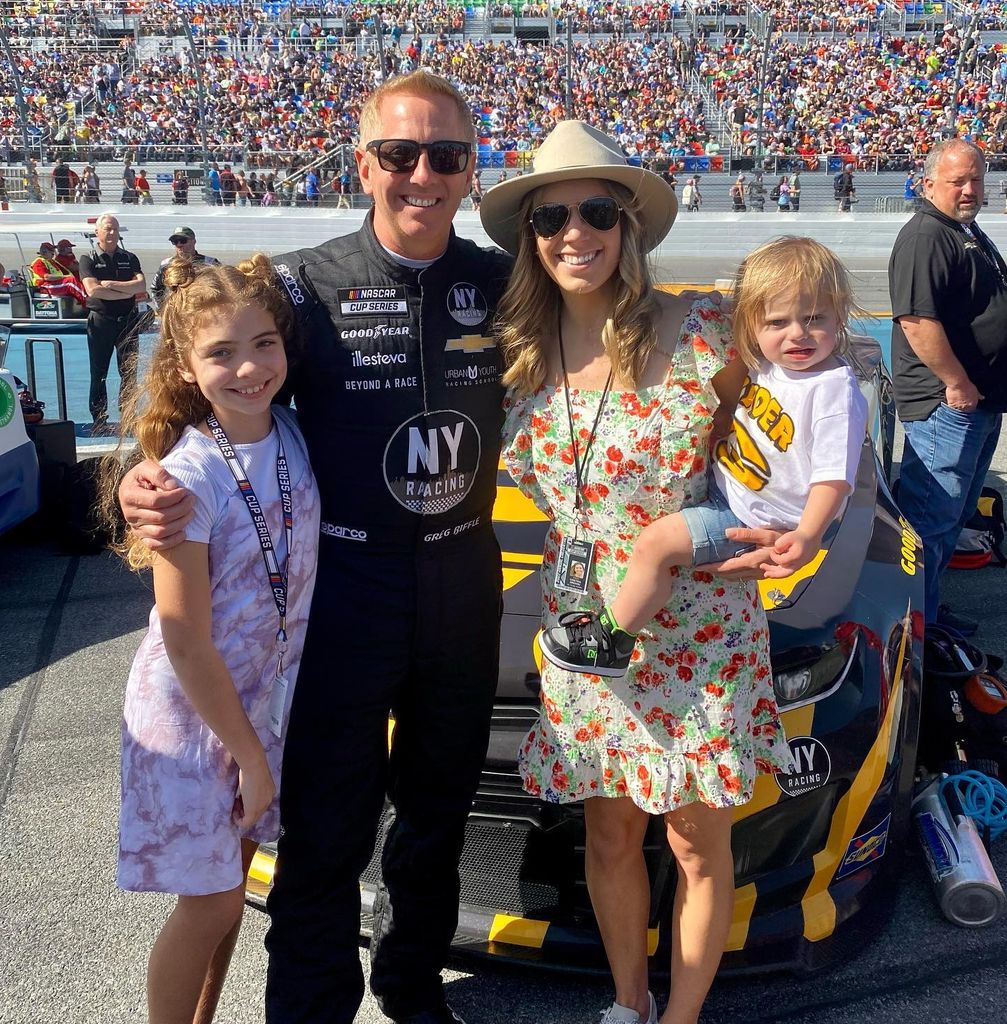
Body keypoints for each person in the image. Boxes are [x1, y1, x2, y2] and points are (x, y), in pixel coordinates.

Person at [117, 70, 514, 1024]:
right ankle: (309, 1007)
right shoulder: (300, 285)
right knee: (327, 825)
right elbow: (208, 371)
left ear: (470, 171)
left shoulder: (505, 281)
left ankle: (413, 989)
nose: (423, 174)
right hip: (345, 588)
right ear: (363, 164)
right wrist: (137, 476)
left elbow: (620, 327)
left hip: (464, 576)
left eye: (447, 156)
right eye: (400, 154)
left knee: (436, 812)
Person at [480, 120, 795, 1024]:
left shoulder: (701, 332)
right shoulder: (518, 360)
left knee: (697, 844)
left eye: (594, 212)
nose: (573, 233)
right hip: (587, 632)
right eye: (550, 219)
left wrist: (791, 537)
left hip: (699, 628)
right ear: (530, 239)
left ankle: (684, 1015)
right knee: (611, 831)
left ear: (629, 227)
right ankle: (628, 1003)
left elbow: (795, 435)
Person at [106, 255, 319, 1024]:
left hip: (261, 698)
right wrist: (254, 759)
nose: (248, 367)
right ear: (188, 369)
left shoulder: (292, 433)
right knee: (211, 901)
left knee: (229, 887)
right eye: (221, 353)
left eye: (263, 344)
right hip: (195, 715)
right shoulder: (185, 477)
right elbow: (184, 636)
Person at [538, 236, 868, 677]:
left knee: (656, 545)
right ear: (751, 325)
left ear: (840, 315)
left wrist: (807, 536)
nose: (797, 334)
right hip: (731, 493)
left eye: (814, 319)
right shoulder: (771, 367)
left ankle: (614, 638)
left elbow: (834, 478)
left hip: (752, 520)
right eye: (777, 322)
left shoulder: (832, 390)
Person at [888, 137, 1007, 635]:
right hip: (948, 405)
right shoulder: (926, 236)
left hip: (977, 402)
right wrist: (956, 384)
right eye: (958, 181)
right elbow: (917, 321)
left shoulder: (966, 231)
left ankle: (930, 615)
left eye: (976, 179)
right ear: (929, 182)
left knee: (953, 517)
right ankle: (916, 632)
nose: (969, 189)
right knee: (930, 525)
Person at [79, 213, 146, 431]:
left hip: (128, 322)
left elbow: (140, 287)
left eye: (115, 229)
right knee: (98, 373)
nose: (111, 233)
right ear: (97, 232)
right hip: (101, 322)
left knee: (128, 373)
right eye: (107, 229)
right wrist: (124, 290)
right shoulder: (88, 259)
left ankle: (128, 418)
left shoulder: (130, 257)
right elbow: (93, 290)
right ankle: (99, 420)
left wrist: (110, 285)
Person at [151, 226, 221, 309]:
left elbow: (224, 286)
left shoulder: (210, 263)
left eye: (183, 240)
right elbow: (155, 289)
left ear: (194, 241)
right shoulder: (166, 264)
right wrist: (162, 310)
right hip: (176, 314)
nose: (179, 244)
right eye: (175, 241)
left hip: (203, 313)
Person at [28, 241, 88, 306]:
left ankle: (87, 299)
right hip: (45, 286)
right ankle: (86, 302)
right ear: (44, 252)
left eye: (53, 250)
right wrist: (65, 277)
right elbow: (46, 277)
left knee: (76, 280)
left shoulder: (51, 261)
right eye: (51, 250)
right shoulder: (38, 262)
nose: (53, 252)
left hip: (54, 284)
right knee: (70, 282)